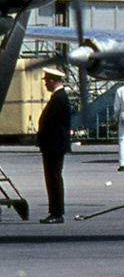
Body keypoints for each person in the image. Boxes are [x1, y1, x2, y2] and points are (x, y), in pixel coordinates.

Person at [37, 68, 71, 224]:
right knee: (53, 178)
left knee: (53, 179)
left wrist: (40, 137)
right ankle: (55, 211)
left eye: (46, 81)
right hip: (54, 144)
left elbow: (51, 123)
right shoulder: (59, 97)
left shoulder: (59, 98)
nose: (45, 84)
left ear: (51, 81)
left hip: (54, 145)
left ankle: (56, 213)